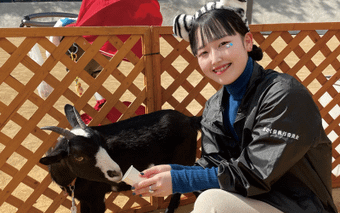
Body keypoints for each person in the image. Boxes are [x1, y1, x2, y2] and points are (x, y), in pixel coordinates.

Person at [132, 0, 338, 212]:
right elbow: (216, 165)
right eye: (203, 52)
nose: (215, 58)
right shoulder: (213, 108)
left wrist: (182, 179)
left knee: (211, 203)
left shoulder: (285, 95)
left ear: (247, 41)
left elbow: (255, 174)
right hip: (253, 202)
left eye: (224, 44)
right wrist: (174, 171)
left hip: (297, 206)